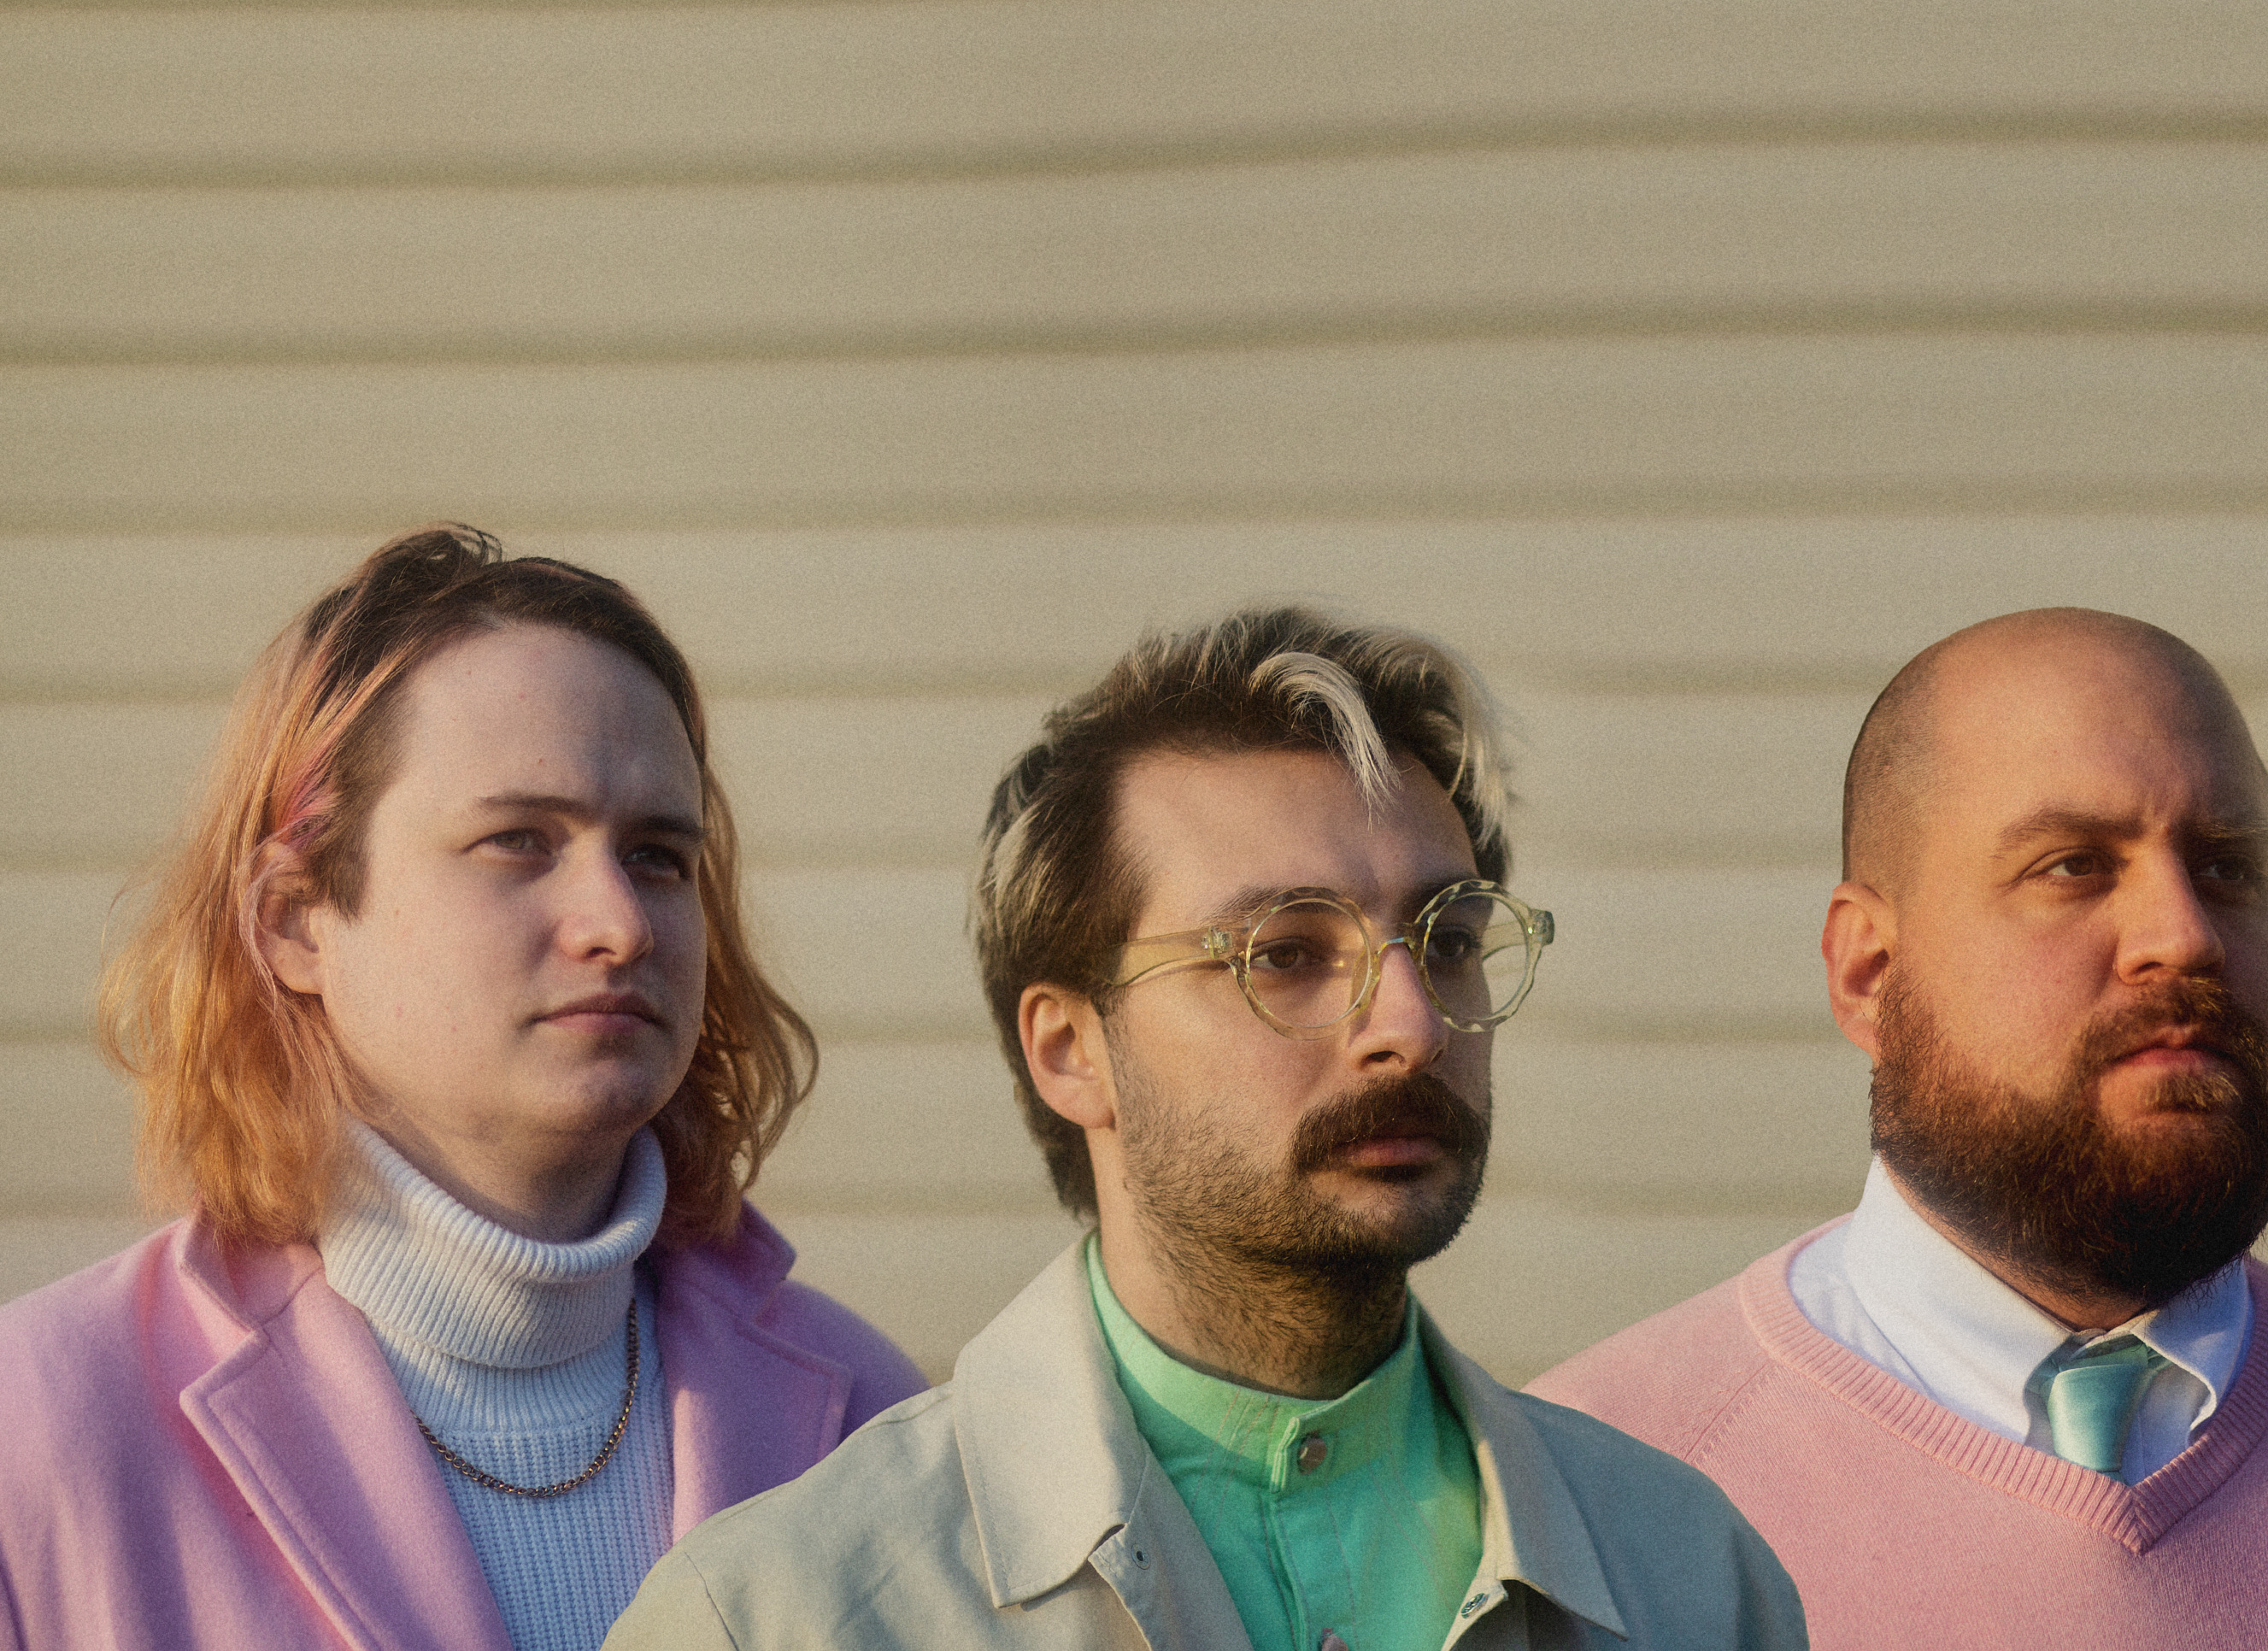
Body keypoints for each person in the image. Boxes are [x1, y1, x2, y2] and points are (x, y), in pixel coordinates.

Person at [608, 608, 1805, 1651]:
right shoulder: (784, 1616)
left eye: (1448, 938)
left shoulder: (1693, 1580)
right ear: (1070, 1048)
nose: (1411, 1023)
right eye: (1284, 954)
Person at [0, 526, 925, 1651]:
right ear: (296, 922)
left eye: (659, 855)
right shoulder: (14, 1449)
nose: (618, 923)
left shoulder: (872, 1430)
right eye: (518, 841)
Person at [1531, 608, 2268, 1647]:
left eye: (2228, 867)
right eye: (2074, 866)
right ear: (1870, 973)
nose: (2184, 936)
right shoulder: (1579, 1513)